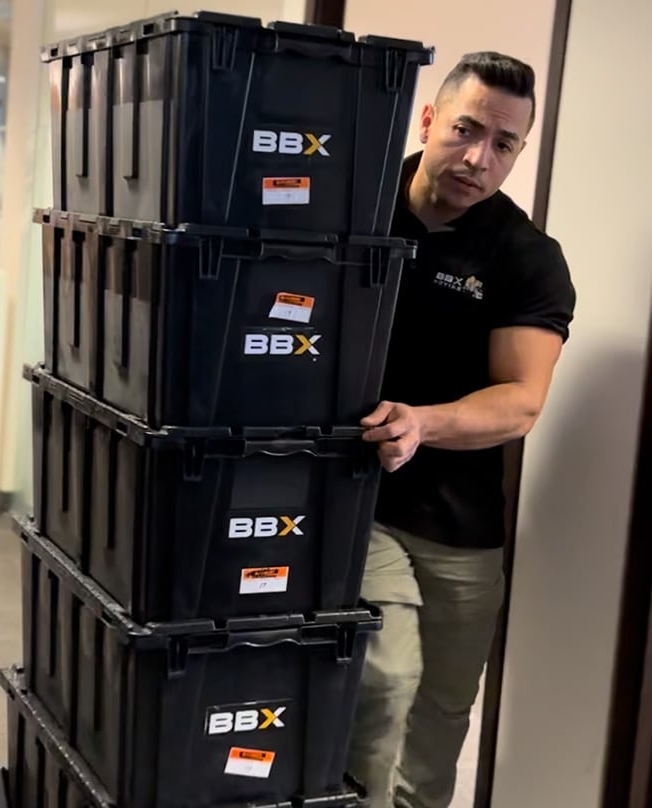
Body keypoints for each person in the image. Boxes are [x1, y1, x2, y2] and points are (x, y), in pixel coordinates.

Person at [347, 52, 576, 808]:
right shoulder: (353, 204)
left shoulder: (527, 258)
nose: (478, 158)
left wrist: (422, 422)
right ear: (427, 121)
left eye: (504, 144)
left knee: (441, 716)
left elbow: (520, 401)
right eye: (465, 130)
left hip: (461, 525)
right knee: (384, 680)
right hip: (358, 500)